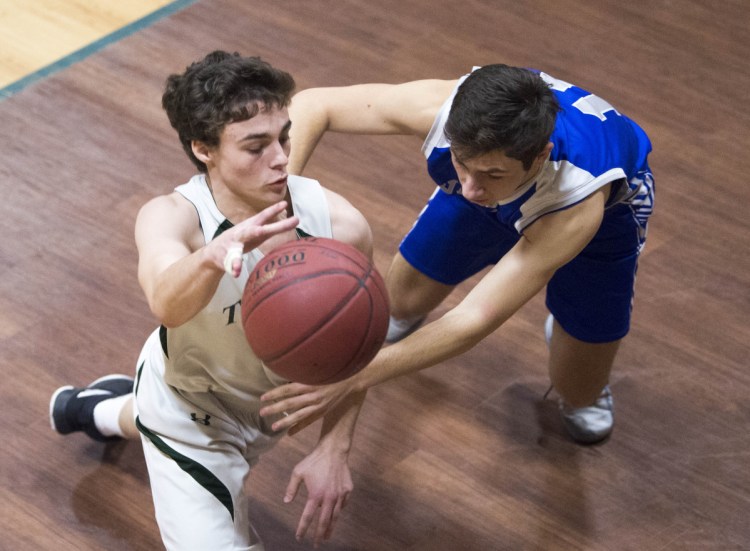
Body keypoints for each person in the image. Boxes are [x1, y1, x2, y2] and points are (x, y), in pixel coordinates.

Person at [49, 51, 373, 550]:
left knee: (146, 415)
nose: (283, 158)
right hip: (188, 410)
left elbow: (360, 345)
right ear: (204, 149)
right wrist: (210, 257)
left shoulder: (340, 226)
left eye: (284, 136)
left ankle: (93, 409)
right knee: (163, 421)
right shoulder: (172, 217)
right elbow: (165, 302)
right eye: (255, 146)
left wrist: (335, 445)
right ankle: (115, 409)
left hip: (267, 406)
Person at [259, 64, 655, 445]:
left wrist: (359, 375)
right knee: (399, 301)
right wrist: (277, 206)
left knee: (578, 393)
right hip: (502, 199)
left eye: (491, 173)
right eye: (461, 164)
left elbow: (474, 317)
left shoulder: (577, 200)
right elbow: (313, 105)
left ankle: (573, 341)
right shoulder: (445, 112)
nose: (468, 186)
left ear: (539, 156)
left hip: (601, 223)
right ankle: (490, 188)